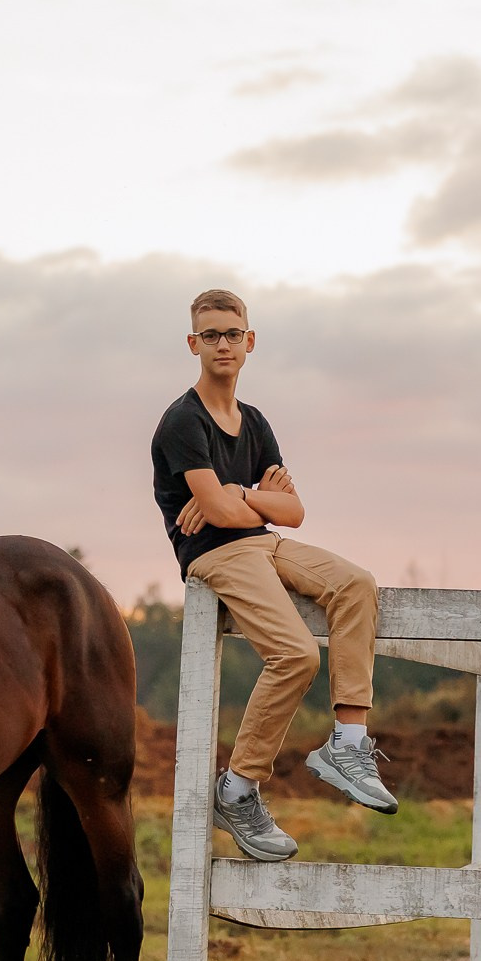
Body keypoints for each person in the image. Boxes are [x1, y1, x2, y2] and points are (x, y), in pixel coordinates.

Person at [149, 288, 393, 863]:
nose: (223, 344)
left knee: (356, 584)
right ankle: (237, 788)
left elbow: (294, 511)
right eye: (211, 335)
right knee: (295, 655)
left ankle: (348, 743)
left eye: (232, 334)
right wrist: (245, 500)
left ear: (250, 341)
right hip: (215, 554)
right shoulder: (182, 421)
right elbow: (221, 515)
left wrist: (235, 492)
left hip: (263, 543)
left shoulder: (254, 422)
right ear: (193, 344)